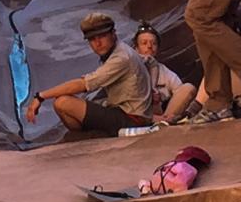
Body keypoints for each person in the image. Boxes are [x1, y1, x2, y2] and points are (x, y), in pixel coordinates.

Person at [24, 13, 155, 136]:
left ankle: (86, 137)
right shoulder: (115, 52)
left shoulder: (121, 57)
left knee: (63, 102)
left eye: (102, 36)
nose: (98, 43)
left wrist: (41, 96)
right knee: (68, 103)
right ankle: (86, 136)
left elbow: (85, 84)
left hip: (132, 120)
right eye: (92, 39)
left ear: (113, 34)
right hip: (122, 113)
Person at [132, 25, 198, 124]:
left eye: (153, 43)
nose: (149, 46)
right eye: (144, 43)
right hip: (137, 116)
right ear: (136, 48)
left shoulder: (163, 71)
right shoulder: (129, 68)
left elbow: (180, 92)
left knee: (188, 88)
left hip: (163, 115)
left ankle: (163, 124)